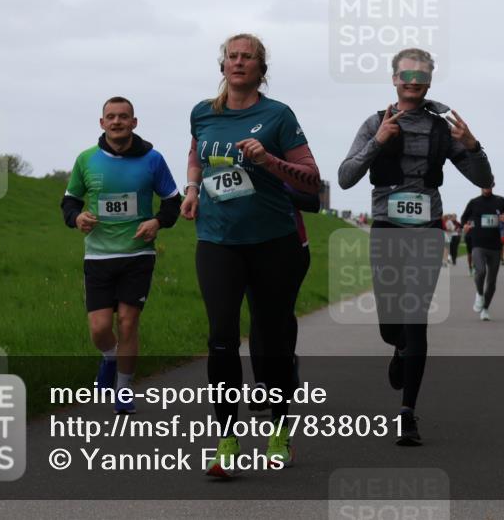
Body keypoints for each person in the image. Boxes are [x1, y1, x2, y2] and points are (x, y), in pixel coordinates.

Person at [181, 33, 321, 477]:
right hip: (217, 240)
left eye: (249, 58)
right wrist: (191, 190)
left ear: (262, 69)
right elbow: (196, 153)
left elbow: (310, 180)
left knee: (271, 342)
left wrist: (268, 161)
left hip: (272, 241)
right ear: (222, 66)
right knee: (220, 337)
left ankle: (279, 434)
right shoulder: (203, 112)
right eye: (232, 57)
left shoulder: (277, 115)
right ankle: (226, 443)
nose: (239, 63)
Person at [338, 47, 493, 446]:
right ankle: (399, 347)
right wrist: (378, 141)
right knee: (392, 325)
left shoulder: (443, 129)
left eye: (421, 74)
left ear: (429, 81)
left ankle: (407, 413)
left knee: (416, 316)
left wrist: (473, 147)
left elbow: (483, 177)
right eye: (406, 73)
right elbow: (345, 177)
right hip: (387, 227)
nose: (413, 80)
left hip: (426, 229)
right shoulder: (376, 121)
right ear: (394, 79)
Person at [60, 97, 181, 414]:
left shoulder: (153, 159)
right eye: (111, 117)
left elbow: (172, 202)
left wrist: (157, 222)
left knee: (128, 323)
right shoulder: (86, 160)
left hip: (137, 254)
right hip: (98, 256)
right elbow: (69, 202)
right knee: (100, 329)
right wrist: (77, 219)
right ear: (102, 123)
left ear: (134, 122)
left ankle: (124, 389)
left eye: (123, 117)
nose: (117, 122)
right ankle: (110, 357)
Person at [247, 183, 320, 411]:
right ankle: (261, 384)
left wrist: (276, 188)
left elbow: (313, 202)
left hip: (293, 247)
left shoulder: (289, 162)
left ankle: (286, 364)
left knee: (281, 313)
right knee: (258, 313)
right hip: (249, 245)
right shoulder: (237, 161)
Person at [461, 184, 504, 321]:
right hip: (478, 244)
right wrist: (465, 225)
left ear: (493, 185)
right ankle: (479, 294)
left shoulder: (500, 201)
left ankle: (485, 309)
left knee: (491, 282)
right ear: (480, 185)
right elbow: (463, 218)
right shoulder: (474, 202)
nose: (487, 186)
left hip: (495, 246)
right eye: (484, 184)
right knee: (480, 272)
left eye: (489, 184)